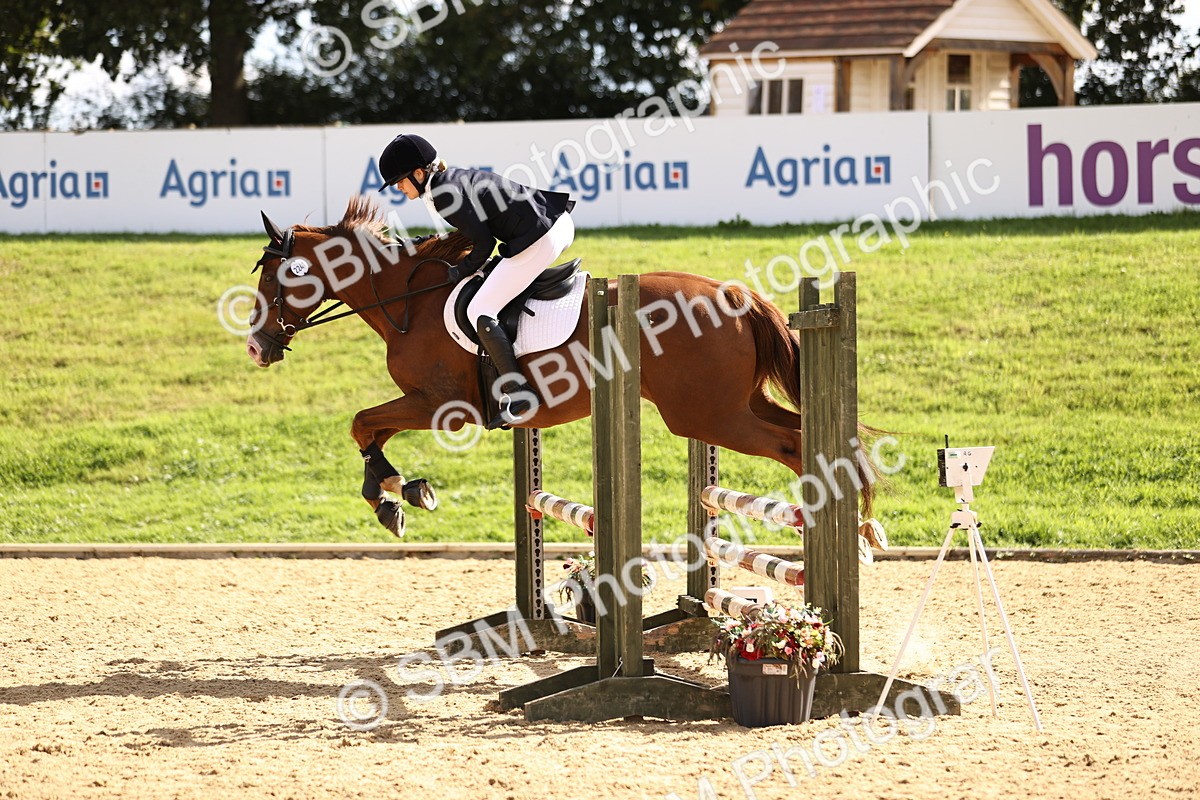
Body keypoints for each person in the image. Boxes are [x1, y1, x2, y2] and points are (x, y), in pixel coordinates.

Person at [377, 133, 576, 430]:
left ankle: (519, 393)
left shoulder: (444, 193)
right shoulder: (446, 183)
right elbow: (469, 234)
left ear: (419, 173)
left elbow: (483, 244)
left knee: (479, 310)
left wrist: (459, 271)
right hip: (550, 223)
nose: (399, 188)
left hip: (540, 236)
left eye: (401, 181)